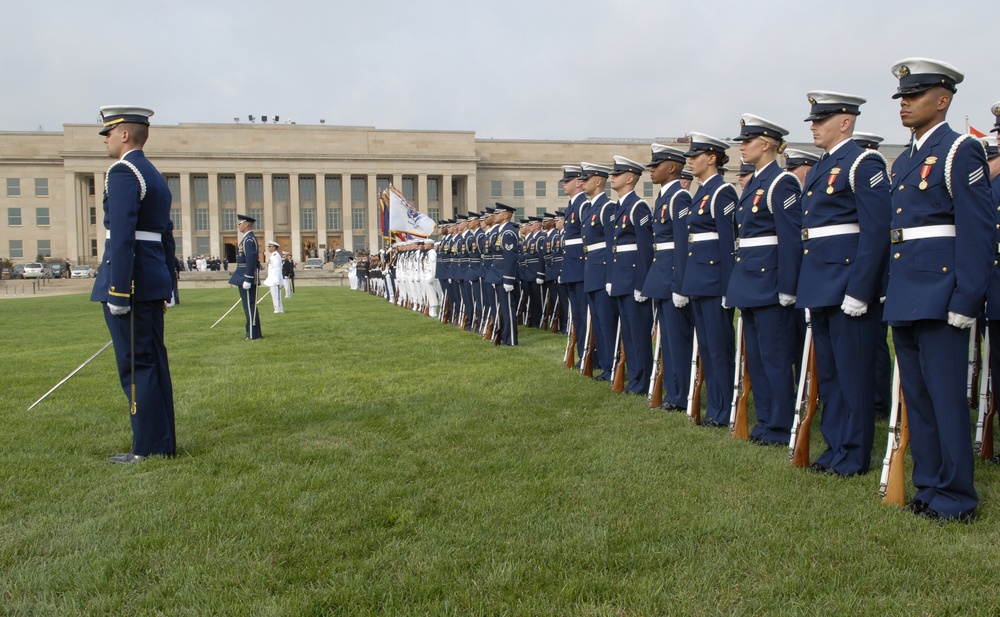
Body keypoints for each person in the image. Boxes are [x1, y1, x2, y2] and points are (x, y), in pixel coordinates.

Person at [883, 59, 992, 521]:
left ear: (942, 99)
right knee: (919, 398)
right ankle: (928, 485)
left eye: (915, 95)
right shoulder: (906, 158)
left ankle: (956, 496)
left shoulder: (959, 150)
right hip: (908, 290)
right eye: (902, 97)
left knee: (946, 399)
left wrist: (967, 298)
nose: (904, 103)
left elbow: (978, 230)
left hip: (942, 292)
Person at [797, 91, 890, 477]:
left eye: (822, 120)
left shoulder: (863, 162)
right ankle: (835, 446)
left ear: (846, 122)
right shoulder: (823, 165)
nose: (814, 126)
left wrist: (861, 288)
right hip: (821, 280)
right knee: (831, 374)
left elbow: (876, 232)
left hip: (848, 282)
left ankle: (854, 453)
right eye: (813, 120)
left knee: (853, 375)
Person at [89, 105, 176, 464]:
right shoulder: (153, 174)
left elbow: (122, 235)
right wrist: (169, 283)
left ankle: (147, 447)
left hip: (132, 283)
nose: (106, 138)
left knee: (136, 366)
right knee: (153, 360)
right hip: (151, 280)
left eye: (108, 132)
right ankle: (161, 441)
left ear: (125, 134)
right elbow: (166, 237)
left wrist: (118, 291)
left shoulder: (124, 171)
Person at [728, 114, 803, 445]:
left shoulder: (780, 182)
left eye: (748, 141)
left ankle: (781, 423)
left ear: (767, 144)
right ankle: (767, 420)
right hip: (750, 281)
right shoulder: (756, 182)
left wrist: (788, 287)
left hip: (770, 282)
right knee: (756, 358)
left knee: (774, 358)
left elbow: (790, 240)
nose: (742, 146)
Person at [681, 133, 738, 427]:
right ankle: (715, 408)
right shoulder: (701, 192)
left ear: (712, 158)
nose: (689, 160)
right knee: (706, 348)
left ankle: (725, 409)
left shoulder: (722, 192)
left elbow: (729, 245)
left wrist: (729, 288)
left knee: (719, 348)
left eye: (695, 155)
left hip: (715, 281)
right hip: (699, 279)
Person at [641, 144, 694, 410]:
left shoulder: (678, 198)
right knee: (668, 340)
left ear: (672, 167)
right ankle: (674, 393)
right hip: (661, 274)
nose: (651, 170)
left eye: (656, 165)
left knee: (677, 340)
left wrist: (680, 284)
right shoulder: (663, 197)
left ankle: (681, 394)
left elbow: (683, 244)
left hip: (672, 275)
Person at [607, 156, 654, 395]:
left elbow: (646, 249)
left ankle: (642, 382)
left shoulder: (638, 207)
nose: (611, 177)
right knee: (628, 333)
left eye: (616, 174)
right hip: (621, 279)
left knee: (638, 334)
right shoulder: (618, 207)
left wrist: (642, 284)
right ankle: (634, 379)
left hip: (633, 279)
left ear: (629, 178)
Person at [580, 162, 617, 381]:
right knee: (598, 321)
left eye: (586, 179)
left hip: (602, 270)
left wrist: (610, 276)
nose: (582, 183)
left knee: (607, 321)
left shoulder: (607, 207)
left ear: (598, 181)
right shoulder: (589, 207)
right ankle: (605, 364)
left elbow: (611, 244)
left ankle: (613, 366)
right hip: (591, 269)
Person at [229, 214, 262, 339]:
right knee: (248, 305)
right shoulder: (246, 238)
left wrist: (248, 278)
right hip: (243, 276)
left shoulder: (249, 239)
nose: (238, 225)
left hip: (245, 277)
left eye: (240, 223)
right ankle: (253, 333)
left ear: (246, 224)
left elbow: (251, 260)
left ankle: (253, 334)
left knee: (249, 306)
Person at [263, 241, 284, 313]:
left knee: (276, 295)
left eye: (270, 247)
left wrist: (278, 280)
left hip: (275, 279)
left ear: (274, 247)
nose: (268, 248)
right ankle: (279, 308)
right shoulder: (273, 255)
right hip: (273, 279)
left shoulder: (275, 255)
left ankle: (278, 309)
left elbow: (277, 268)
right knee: (275, 295)